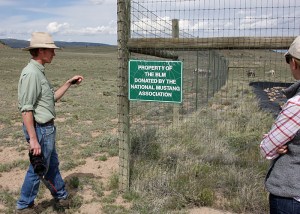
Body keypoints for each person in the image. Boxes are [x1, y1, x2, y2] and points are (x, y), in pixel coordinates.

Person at [16, 32, 83, 213]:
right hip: (39, 130)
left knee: (51, 165)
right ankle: (24, 206)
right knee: (38, 169)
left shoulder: (39, 72)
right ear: (41, 51)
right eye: (51, 50)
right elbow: (26, 109)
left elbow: (51, 99)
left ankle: (61, 197)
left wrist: (68, 83)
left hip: (46, 129)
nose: (54, 53)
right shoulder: (31, 74)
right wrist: (33, 139)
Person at [260, 35, 300, 214]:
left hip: (291, 195)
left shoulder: (296, 106)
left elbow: (267, 148)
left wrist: (273, 142)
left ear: (294, 63)